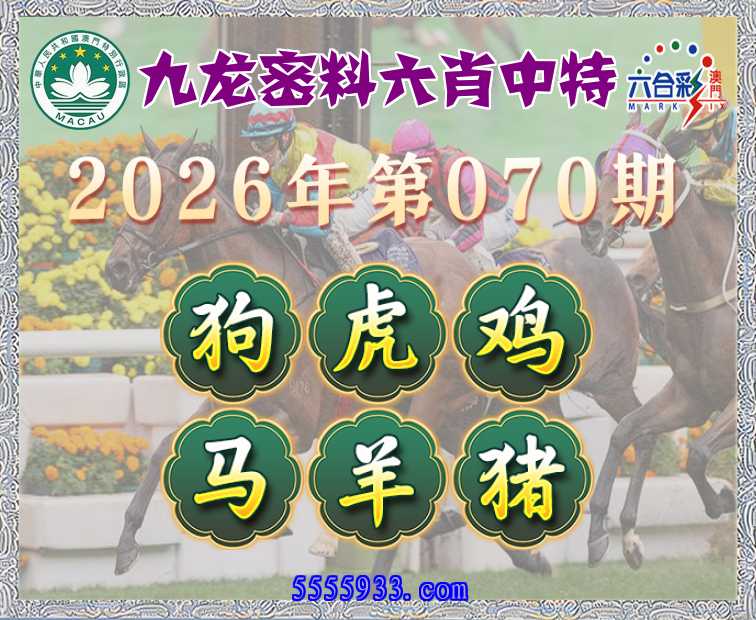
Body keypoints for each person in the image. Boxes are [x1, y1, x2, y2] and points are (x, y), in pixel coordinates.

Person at [240, 102, 376, 270]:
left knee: (332, 228)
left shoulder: (312, 155)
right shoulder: (280, 156)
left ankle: (359, 280)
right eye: (256, 144)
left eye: (266, 142)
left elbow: (321, 223)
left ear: (285, 137)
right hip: (340, 193)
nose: (262, 152)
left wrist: (280, 218)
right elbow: (269, 206)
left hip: (369, 187)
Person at [390, 119, 516, 272]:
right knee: (428, 238)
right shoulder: (418, 174)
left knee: (469, 251)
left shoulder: (461, 170)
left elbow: (475, 229)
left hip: (499, 214)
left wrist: (447, 249)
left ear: (428, 157)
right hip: (462, 215)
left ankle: (488, 281)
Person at [683, 104, 736, 207]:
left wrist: (701, 188)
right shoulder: (721, 138)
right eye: (693, 136)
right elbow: (713, 166)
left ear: (719, 125)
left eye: (701, 135)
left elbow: (737, 191)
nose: (699, 144)